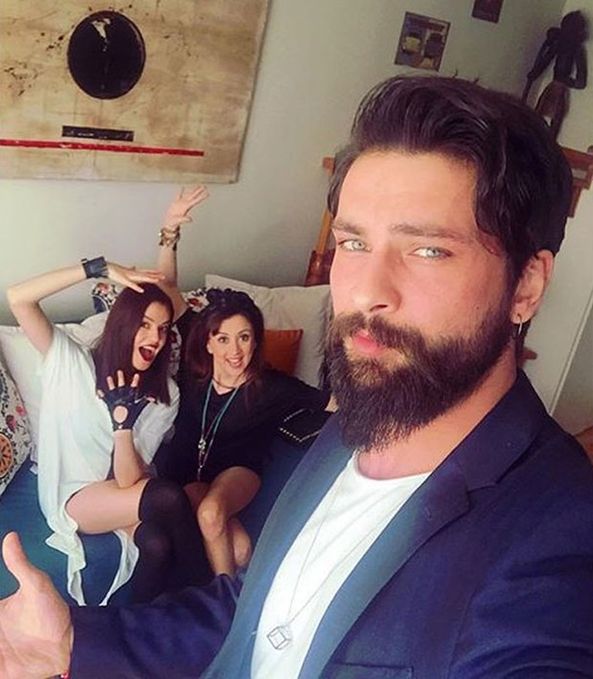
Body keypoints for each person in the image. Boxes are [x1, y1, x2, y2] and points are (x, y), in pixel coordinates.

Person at [2, 74, 593, 679]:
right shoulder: (344, 436)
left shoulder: (560, 538)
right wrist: (74, 641)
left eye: (428, 250)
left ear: (526, 286)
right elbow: (260, 612)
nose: (365, 292)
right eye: (354, 243)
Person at [5, 259, 208, 605]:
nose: (155, 338)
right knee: (169, 497)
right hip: (75, 495)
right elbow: (19, 298)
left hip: (121, 489)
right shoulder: (72, 362)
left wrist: (122, 425)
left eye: (163, 329)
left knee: (157, 544)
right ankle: (209, 595)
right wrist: (98, 268)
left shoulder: (165, 394)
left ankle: (139, 622)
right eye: (145, 325)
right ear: (124, 324)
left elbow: (127, 480)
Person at [153, 189, 331, 577]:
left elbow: (334, 405)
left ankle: (220, 599)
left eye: (245, 337)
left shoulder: (273, 387)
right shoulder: (192, 372)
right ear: (208, 342)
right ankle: (228, 586)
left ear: (256, 340)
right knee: (240, 548)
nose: (235, 351)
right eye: (223, 339)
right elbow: (165, 288)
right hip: (185, 475)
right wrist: (169, 230)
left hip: (237, 473)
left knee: (211, 513)